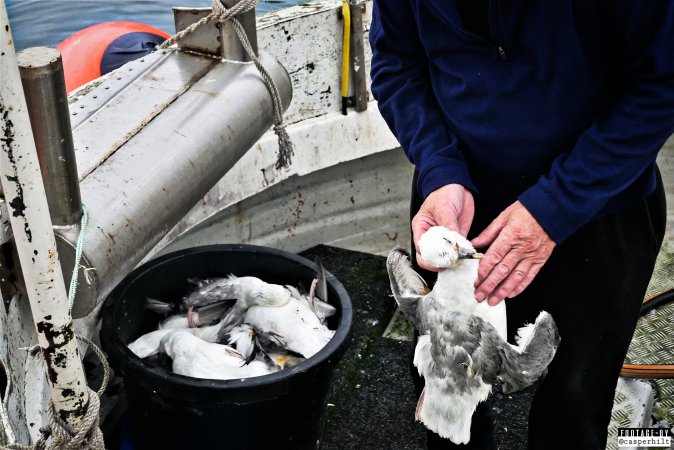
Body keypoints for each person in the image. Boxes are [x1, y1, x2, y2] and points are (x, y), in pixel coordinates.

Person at [369, 1, 674, 449]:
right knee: (445, 390)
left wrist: (555, 206)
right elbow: (395, 62)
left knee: (575, 401)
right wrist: (439, 168)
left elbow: (662, 86)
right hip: (457, 211)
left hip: (599, 210)